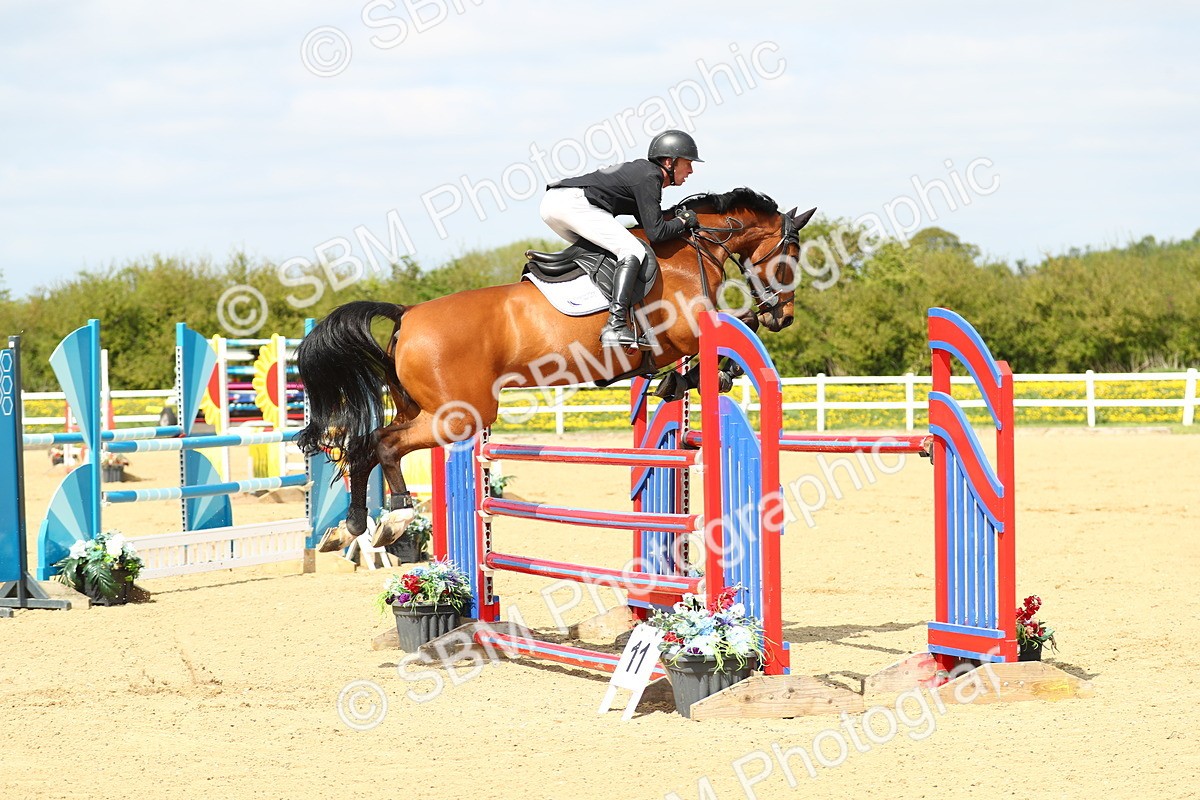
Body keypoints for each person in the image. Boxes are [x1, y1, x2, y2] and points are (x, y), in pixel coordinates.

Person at [540, 129, 703, 349]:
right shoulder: (650, 177)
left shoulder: (644, 174)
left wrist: (675, 218)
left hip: (555, 204)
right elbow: (656, 233)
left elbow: (648, 223)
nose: (691, 170)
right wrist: (684, 221)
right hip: (572, 203)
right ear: (669, 162)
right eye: (688, 163)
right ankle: (615, 325)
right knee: (632, 251)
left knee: (608, 251)